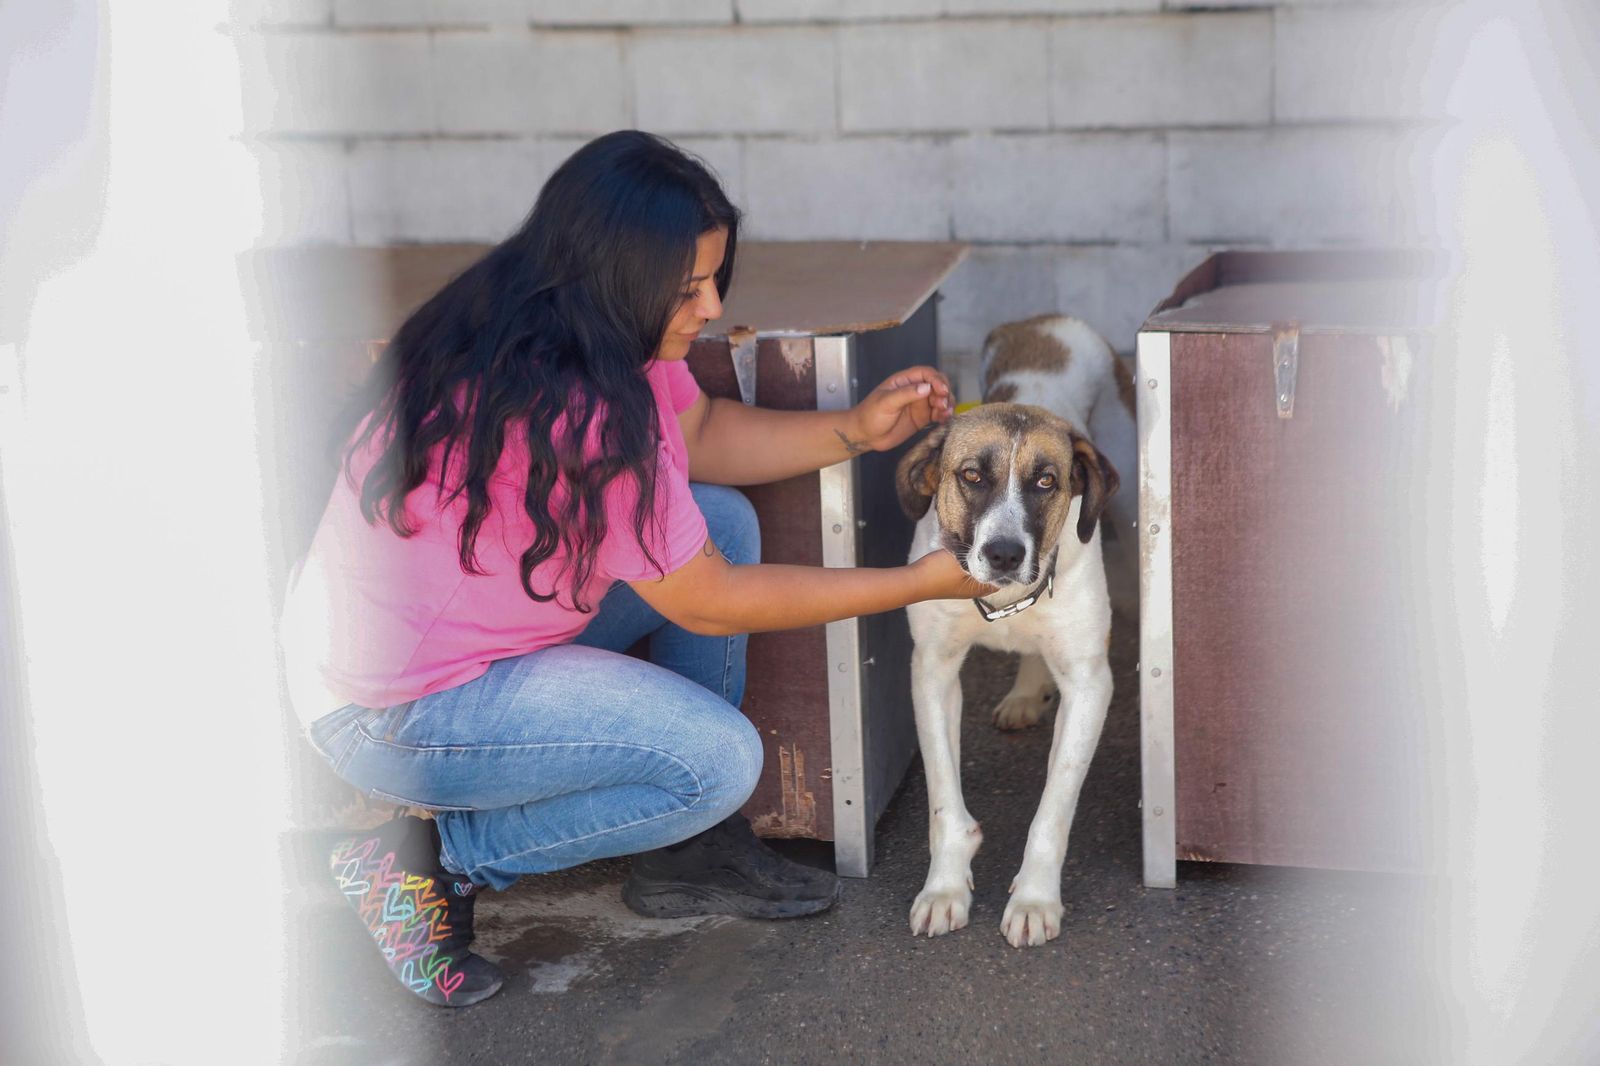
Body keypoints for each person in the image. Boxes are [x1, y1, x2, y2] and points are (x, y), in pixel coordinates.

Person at [280, 130, 991, 1007]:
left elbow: (700, 440)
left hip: (425, 632)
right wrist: (918, 582)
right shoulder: (579, 410)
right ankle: (428, 863)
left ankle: (686, 852)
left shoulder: (568, 321)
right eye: (688, 286)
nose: (708, 305)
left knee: (719, 521)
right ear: (614, 270)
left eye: (712, 278)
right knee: (715, 764)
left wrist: (856, 429)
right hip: (392, 708)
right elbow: (713, 604)